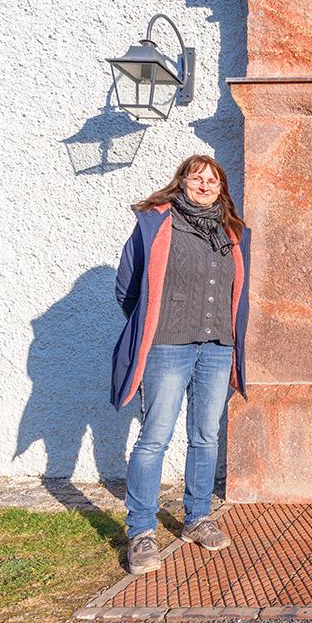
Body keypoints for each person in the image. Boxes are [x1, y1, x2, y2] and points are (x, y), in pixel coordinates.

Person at [110, 154, 250, 574]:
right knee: (155, 437)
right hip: (168, 346)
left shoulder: (231, 233)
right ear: (183, 182)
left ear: (221, 188)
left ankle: (197, 518)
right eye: (198, 178)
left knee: (206, 436)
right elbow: (127, 288)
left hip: (217, 347)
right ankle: (140, 531)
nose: (205, 185)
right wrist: (153, 324)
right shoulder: (157, 224)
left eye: (213, 180)